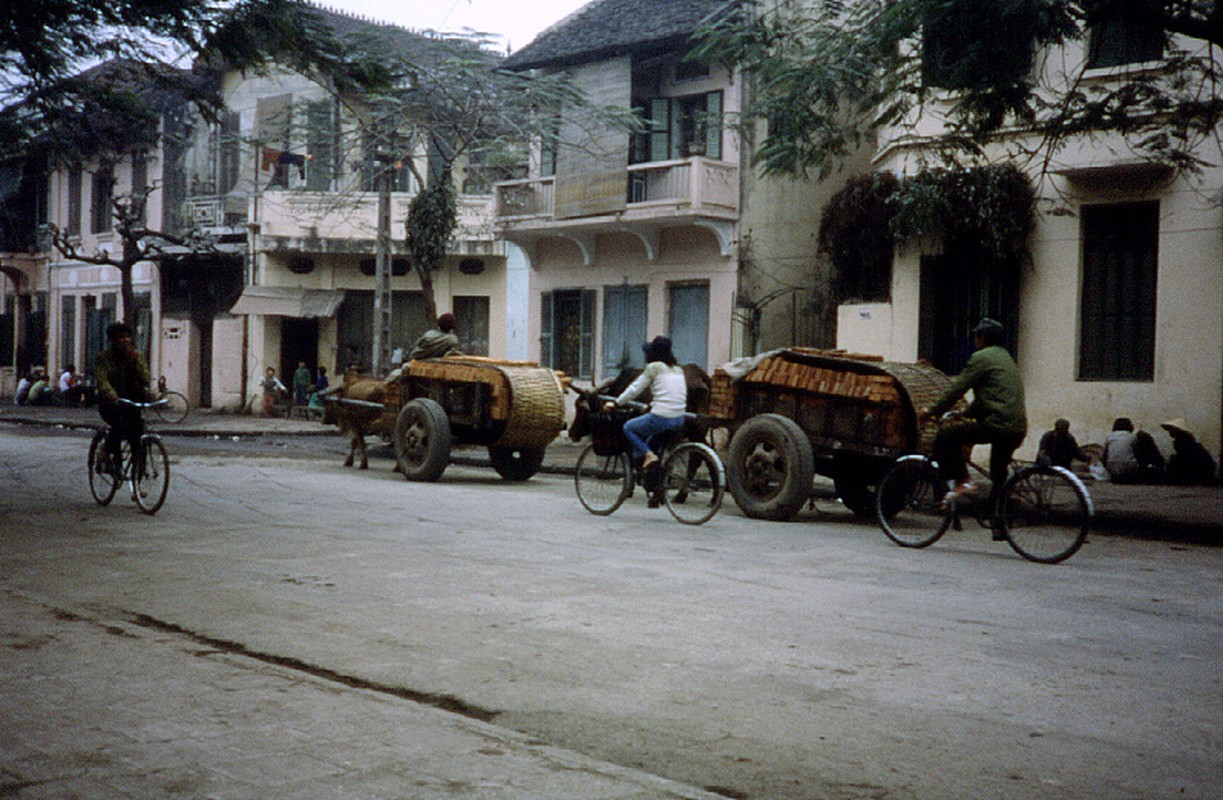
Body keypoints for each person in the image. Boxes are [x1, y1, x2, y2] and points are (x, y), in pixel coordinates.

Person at [921, 319, 1027, 528]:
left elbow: (957, 388)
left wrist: (932, 410)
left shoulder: (981, 358)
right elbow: (991, 397)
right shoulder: (1005, 358)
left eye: (976, 336)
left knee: (946, 436)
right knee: (998, 474)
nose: (974, 340)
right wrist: (965, 413)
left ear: (983, 338)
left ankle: (963, 480)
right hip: (1016, 427)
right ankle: (998, 522)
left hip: (997, 424)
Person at [604, 336, 688, 472]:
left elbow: (635, 389)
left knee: (628, 428)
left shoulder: (654, 367)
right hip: (679, 419)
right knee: (652, 442)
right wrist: (653, 405)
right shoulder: (678, 369)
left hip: (662, 417)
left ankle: (649, 456)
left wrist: (616, 403)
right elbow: (670, 394)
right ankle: (654, 477)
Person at [95, 322, 152, 473]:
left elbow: (146, 378)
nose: (125, 340)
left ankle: (138, 476)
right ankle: (105, 451)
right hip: (110, 403)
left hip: (132, 401)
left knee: (138, 434)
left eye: (128, 337)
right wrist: (112, 395)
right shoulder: (104, 358)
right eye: (121, 337)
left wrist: (136, 361)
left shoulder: (136, 355)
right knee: (120, 426)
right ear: (112, 340)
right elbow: (102, 381)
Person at [1102, 417, 1164, 483]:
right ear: (1128, 426)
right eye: (1131, 424)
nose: (1133, 426)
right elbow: (1137, 453)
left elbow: (1105, 455)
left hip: (1111, 468)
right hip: (1129, 468)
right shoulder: (1132, 437)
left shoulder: (1109, 437)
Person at [1161, 419, 1218, 486]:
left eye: (1171, 429)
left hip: (1198, 469)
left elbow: (1185, 457)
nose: (1169, 432)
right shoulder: (1185, 438)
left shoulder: (1182, 440)